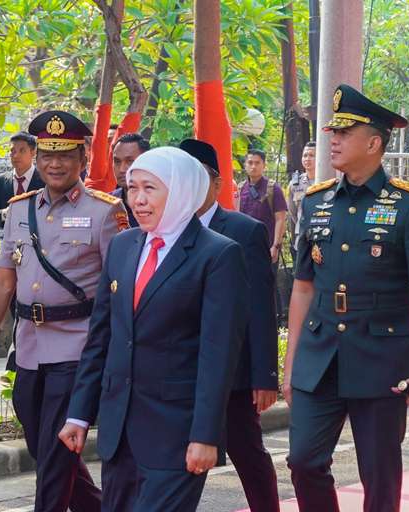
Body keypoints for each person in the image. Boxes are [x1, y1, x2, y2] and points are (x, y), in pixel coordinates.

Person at [59, 146, 248, 511]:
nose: (138, 200)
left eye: (150, 188)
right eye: (133, 188)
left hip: (176, 433)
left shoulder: (217, 254)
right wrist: (79, 413)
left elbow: (218, 354)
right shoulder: (123, 246)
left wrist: (205, 435)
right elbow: (101, 338)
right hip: (119, 432)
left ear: (180, 191)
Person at [284, 84, 409, 512]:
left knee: (379, 473)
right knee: (303, 461)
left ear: (374, 143)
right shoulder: (316, 201)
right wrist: (291, 362)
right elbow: (303, 287)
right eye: (333, 132)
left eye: (344, 133)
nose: (333, 140)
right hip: (320, 356)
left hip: (382, 358)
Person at [0, 110, 128, 512]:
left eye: (66, 156)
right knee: (46, 450)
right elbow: (3, 280)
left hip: (77, 348)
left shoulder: (105, 212)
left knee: (55, 461)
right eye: (48, 156)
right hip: (28, 348)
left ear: (83, 158)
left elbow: (120, 288)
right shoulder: (19, 210)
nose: (55, 164)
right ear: (37, 159)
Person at [181, 138, 280, 511]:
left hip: (232, 371)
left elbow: (260, 306)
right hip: (180, 367)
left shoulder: (243, 230)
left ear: (217, 183)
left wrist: (264, 375)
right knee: (177, 461)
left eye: (199, 177)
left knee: (247, 453)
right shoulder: (164, 228)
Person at [239, 148, 287, 325]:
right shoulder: (240, 189)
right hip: (244, 247)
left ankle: (276, 321)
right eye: (250, 162)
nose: (253, 166)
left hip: (267, 247)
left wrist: (275, 245)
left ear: (264, 165)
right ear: (245, 165)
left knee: (268, 284)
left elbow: (280, 218)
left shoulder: (273, 188)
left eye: (257, 163)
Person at [0, 132, 44, 229]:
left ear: (33, 152)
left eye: (22, 151)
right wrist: (5, 213)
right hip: (9, 237)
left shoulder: (45, 180)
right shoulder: (0, 181)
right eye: (12, 151)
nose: (16, 155)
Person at [111, 133, 150, 228]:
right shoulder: (107, 204)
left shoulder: (160, 203)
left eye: (129, 161)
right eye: (117, 161)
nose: (122, 169)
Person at [287, 141, 316, 259]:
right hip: (302, 235)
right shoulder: (295, 184)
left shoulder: (328, 180)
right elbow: (293, 212)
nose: (307, 159)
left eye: (312, 155)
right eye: (305, 155)